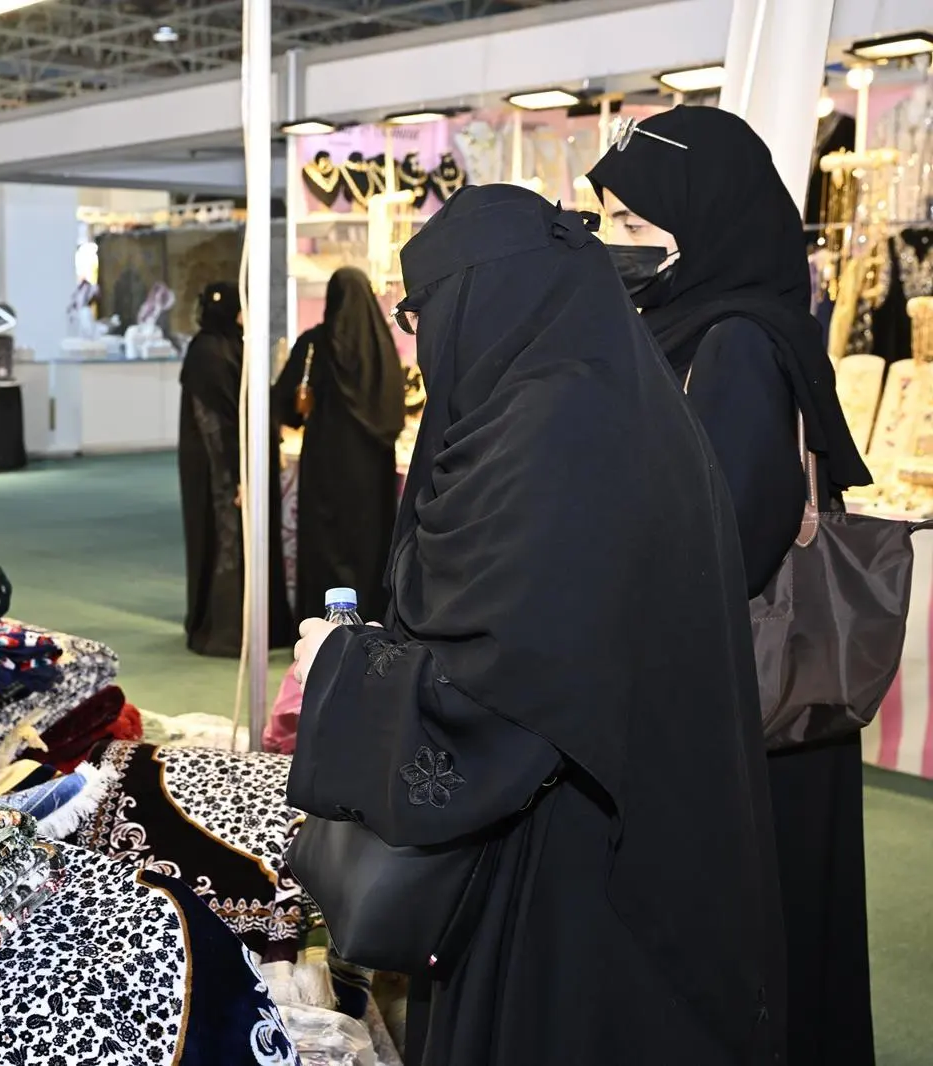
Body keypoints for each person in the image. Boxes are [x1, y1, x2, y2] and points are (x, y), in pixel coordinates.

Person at [289, 185, 785, 1066]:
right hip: (620, 822)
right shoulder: (599, 399)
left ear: (482, 299)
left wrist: (342, 668)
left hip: (572, 857)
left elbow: (504, 690)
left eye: (426, 311)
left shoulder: (556, 430)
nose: (421, 338)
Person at [589, 105, 877, 1066]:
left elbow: (730, 532)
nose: (621, 243)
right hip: (742, 692)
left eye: (637, 222)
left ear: (702, 217)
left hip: (748, 699)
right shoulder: (699, 325)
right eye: (612, 222)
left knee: (754, 938)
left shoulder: (738, 341)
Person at [274, 266, 406, 620]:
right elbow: (395, 412)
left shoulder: (314, 344)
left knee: (325, 545)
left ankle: (321, 623)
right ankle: (372, 622)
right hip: (372, 469)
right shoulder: (382, 350)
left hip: (326, 465)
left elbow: (284, 403)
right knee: (370, 544)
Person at [177, 281, 293, 657]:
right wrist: (238, 476)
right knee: (228, 543)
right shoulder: (208, 352)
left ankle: (260, 624)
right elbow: (214, 424)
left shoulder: (230, 346)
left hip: (240, 465)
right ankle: (227, 630)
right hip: (220, 473)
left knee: (249, 542)